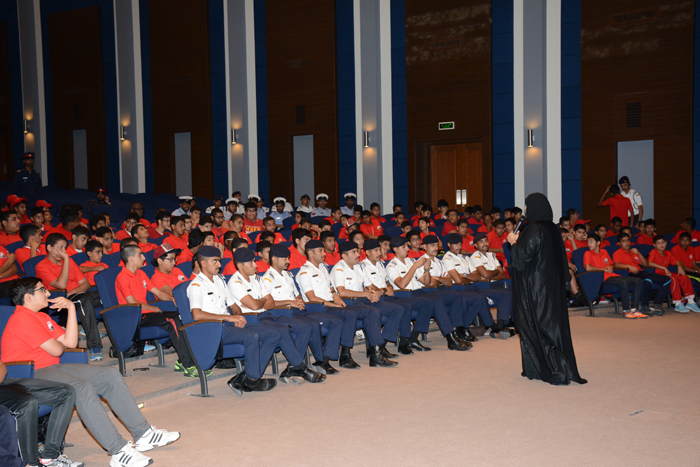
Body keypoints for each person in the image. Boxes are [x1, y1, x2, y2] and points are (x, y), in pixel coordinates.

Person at [2, 278, 180, 467]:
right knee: (81, 387)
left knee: (109, 375)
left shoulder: (41, 317)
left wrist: (71, 308)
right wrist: (59, 344)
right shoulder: (22, 318)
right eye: (42, 290)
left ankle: (143, 434)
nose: (48, 293)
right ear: (28, 297)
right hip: (27, 374)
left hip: (51, 367)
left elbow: (70, 343)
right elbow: (58, 350)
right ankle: (118, 450)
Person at [507, 192, 586, 385]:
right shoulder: (553, 229)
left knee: (537, 327)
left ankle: (556, 368)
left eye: (527, 205)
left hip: (537, 289)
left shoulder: (534, 229)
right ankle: (540, 367)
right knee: (552, 328)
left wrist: (513, 242)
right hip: (552, 288)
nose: (525, 209)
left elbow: (522, 258)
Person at [187, 246, 280, 394]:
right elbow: (197, 315)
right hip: (212, 329)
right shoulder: (196, 285)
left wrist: (239, 316)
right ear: (203, 263)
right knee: (252, 336)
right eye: (215, 261)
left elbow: (233, 306)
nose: (219, 264)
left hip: (228, 325)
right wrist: (229, 317)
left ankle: (248, 377)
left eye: (219, 261)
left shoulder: (219, 281)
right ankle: (252, 380)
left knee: (272, 334)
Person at [229, 248, 326, 383]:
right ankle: (299, 368)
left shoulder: (257, 279)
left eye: (254, 261)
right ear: (240, 265)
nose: (255, 265)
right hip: (253, 319)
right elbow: (255, 306)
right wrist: (263, 300)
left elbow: (271, 303)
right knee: (282, 330)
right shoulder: (235, 282)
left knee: (304, 327)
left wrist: (259, 302)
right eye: (251, 262)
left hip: (267, 315)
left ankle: (293, 367)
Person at [116, 244, 201, 377]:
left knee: (181, 317)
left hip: (147, 313)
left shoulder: (141, 273)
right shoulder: (122, 277)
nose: (144, 257)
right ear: (131, 258)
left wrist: (172, 298)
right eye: (140, 255)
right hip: (134, 317)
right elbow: (132, 304)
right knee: (173, 320)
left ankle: (183, 361)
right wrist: (153, 308)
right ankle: (188, 365)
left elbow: (159, 293)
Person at [385, 236, 471, 351]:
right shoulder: (392, 266)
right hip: (404, 295)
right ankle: (450, 338)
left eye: (407, 246)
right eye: (404, 247)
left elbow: (426, 282)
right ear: (395, 249)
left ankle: (451, 334)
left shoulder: (411, 261)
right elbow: (402, 284)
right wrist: (415, 267)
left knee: (452, 295)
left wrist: (426, 270)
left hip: (418, 292)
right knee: (435, 300)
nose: (407, 249)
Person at [329, 241, 403, 363]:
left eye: (357, 251)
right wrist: (367, 294)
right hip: (348, 303)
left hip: (362, 300)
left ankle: (380, 347)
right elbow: (341, 292)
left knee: (396, 309)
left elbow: (370, 286)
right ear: (344, 256)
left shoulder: (359, 266)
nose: (358, 254)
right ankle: (376, 355)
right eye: (354, 252)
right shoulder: (339, 269)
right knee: (373, 312)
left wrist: (376, 293)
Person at [35, 233, 104, 362]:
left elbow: (86, 284)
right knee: (84, 299)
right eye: (60, 247)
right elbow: (61, 285)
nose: (63, 251)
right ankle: (95, 346)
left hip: (72, 295)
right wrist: (66, 259)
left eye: (65, 248)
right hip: (59, 300)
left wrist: (70, 293)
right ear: (49, 248)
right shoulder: (42, 266)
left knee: (106, 294)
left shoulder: (70, 261)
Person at [0, 359, 82, 467]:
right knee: (27, 402)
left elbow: (2, 367)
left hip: (4, 383)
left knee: (66, 392)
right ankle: (31, 463)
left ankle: (50, 456)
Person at [583, 233, 644, 317]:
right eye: (588, 242)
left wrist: (610, 267)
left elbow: (612, 264)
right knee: (623, 282)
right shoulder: (587, 253)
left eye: (591, 242)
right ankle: (626, 310)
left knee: (638, 281)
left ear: (598, 243)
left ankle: (634, 309)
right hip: (601, 278)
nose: (589, 244)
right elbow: (588, 268)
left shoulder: (604, 252)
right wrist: (603, 269)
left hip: (612, 275)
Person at [613, 233, 670, 316]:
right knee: (647, 280)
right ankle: (644, 306)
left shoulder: (633, 252)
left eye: (628, 240)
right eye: (624, 241)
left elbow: (645, 264)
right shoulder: (618, 253)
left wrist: (638, 253)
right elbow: (616, 265)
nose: (627, 243)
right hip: (630, 274)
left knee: (667, 279)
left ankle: (657, 304)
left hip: (641, 272)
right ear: (619, 243)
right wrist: (628, 266)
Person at [647, 235, 699, 313]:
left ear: (666, 243)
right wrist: (664, 268)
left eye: (663, 242)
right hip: (657, 274)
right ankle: (678, 303)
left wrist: (679, 267)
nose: (661, 245)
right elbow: (650, 263)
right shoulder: (653, 252)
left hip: (667, 273)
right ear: (654, 245)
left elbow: (677, 262)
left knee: (684, 277)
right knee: (673, 279)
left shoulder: (668, 253)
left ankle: (691, 302)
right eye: (658, 243)